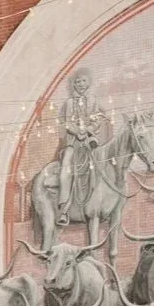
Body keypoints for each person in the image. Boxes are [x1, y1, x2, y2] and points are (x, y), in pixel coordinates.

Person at [56, 68, 105, 226]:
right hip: (73, 142)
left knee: (103, 165)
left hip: (90, 140)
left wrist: (88, 131)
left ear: (88, 82)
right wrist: (78, 132)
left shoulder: (93, 101)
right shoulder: (69, 103)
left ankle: (103, 203)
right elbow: (67, 122)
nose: (80, 84)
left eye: (83, 81)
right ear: (73, 85)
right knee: (65, 171)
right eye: (77, 82)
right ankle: (64, 209)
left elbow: (97, 119)